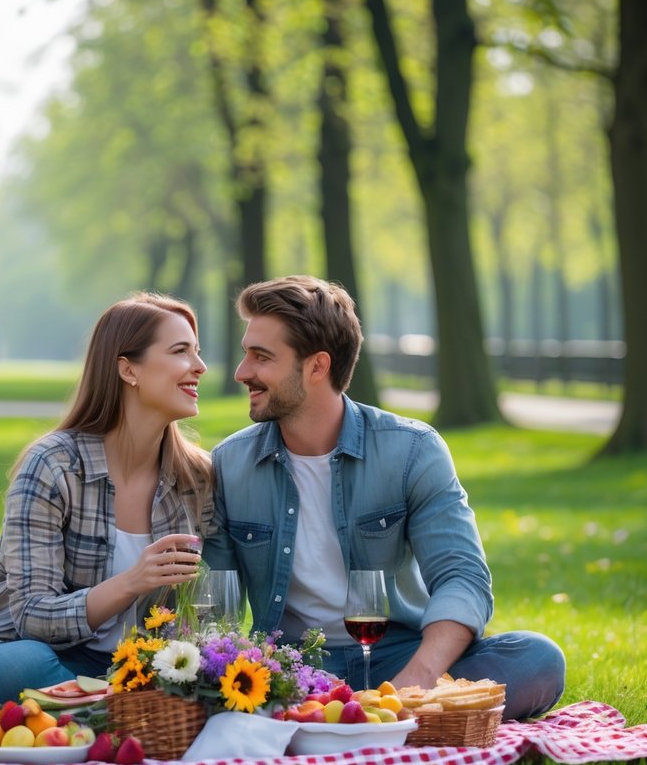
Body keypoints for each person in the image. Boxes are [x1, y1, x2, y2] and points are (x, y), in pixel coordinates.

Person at [202, 275, 565, 720]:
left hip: (397, 655)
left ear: (317, 367)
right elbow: (215, 608)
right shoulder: (228, 465)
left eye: (261, 357)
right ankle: (388, 722)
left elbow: (462, 577)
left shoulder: (412, 450)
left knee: (537, 658)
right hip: (292, 667)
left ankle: (356, 716)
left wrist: (418, 679)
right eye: (246, 354)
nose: (242, 372)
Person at [0, 292, 211, 731]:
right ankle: (133, 716)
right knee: (8, 672)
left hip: (129, 666)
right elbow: (31, 615)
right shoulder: (53, 465)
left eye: (197, 352)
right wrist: (132, 582)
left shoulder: (197, 479)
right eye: (181, 351)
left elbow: (199, 617)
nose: (200, 366)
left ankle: (99, 715)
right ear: (129, 369)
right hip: (23, 647)